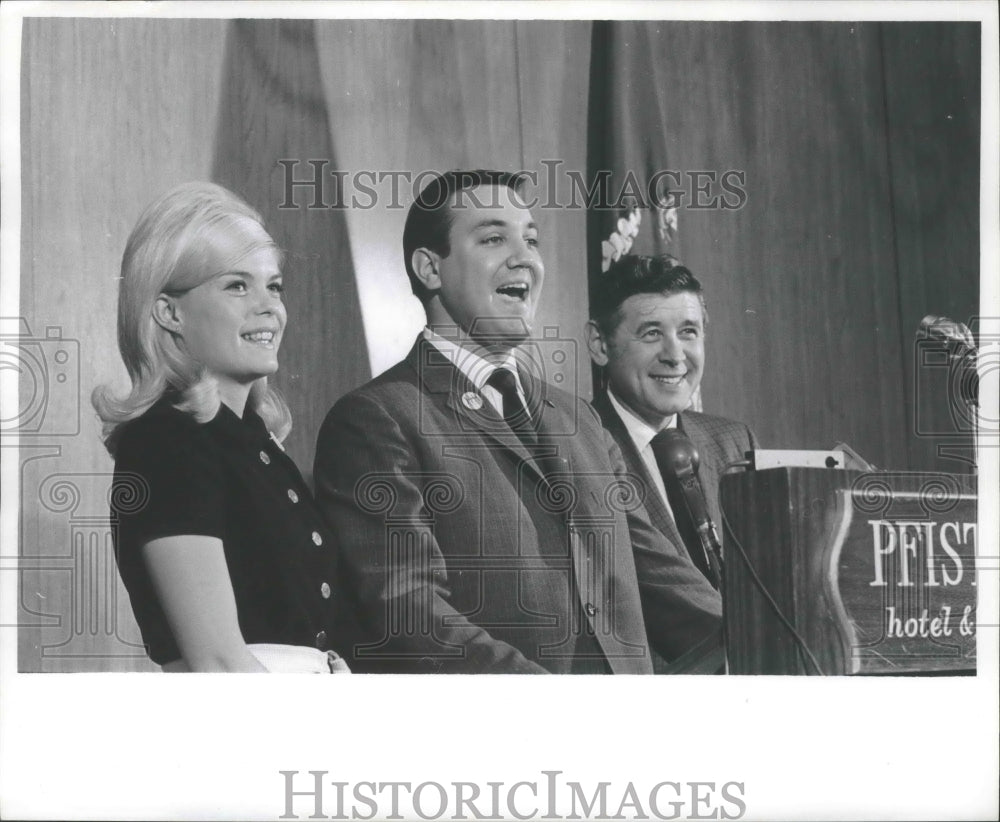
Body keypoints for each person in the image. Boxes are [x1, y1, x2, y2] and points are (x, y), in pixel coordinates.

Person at [313, 170, 721, 674]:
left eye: (530, 239)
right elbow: (411, 611)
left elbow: (665, 582)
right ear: (429, 268)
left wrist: (789, 638)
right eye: (492, 238)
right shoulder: (378, 419)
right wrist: (552, 703)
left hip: (622, 735)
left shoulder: (581, 420)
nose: (525, 257)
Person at [93, 181, 348, 673]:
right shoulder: (166, 440)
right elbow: (219, 662)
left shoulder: (254, 439)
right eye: (237, 285)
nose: (269, 306)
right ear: (169, 312)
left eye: (274, 285)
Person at [586, 254, 758, 596]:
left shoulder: (734, 442)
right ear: (600, 345)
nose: (675, 355)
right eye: (651, 334)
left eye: (688, 332)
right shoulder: (578, 449)